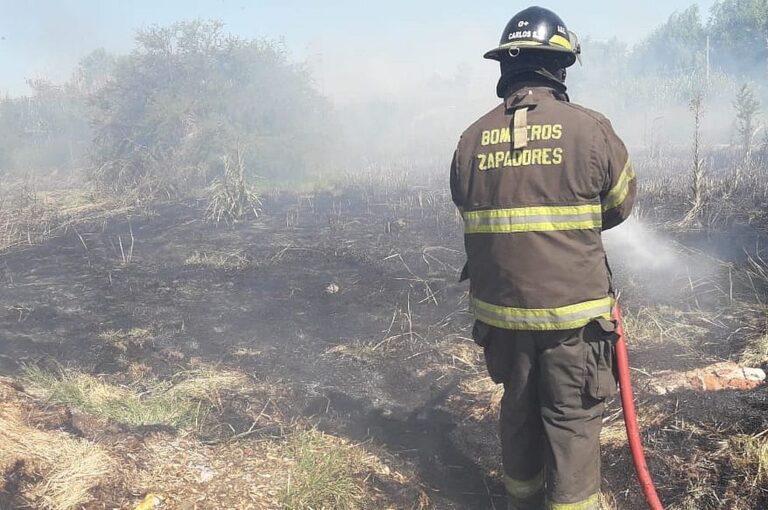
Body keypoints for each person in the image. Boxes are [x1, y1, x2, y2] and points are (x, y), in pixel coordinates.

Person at [449, 6, 636, 510]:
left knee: (518, 412)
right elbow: (618, 207)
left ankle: (521, 503)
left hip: (500, 317)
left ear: (506, 67)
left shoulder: (470, 139)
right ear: (559, 66)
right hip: (573, 317)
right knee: (572, 420)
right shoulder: (590, 129)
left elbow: (470, 209)